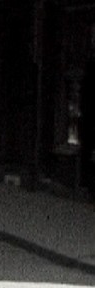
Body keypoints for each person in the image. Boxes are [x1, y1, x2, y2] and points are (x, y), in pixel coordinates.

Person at [79, 57, 95, 202]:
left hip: (87, 120)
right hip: (89, 120)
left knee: (87, 154)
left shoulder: (87, 80)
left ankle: (87, 186)